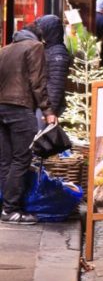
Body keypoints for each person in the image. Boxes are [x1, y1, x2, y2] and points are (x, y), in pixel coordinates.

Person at [0, 24, 56, 223]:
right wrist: (48, 111)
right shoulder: (35, 46)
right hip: (20, 107)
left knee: (5, 161)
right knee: (21, 159)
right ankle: (11, 209)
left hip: (1, 108)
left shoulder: (5, 49)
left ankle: (5, 206)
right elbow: (38, 81)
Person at [28, 15, 71, 121]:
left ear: (48, 30)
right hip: (43, 104)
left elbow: (56, 83)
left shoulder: (58, 52)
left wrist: (50, 111)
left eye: (41, 29)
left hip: (47, 106)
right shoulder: (49, 49)